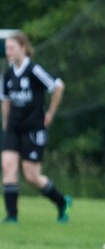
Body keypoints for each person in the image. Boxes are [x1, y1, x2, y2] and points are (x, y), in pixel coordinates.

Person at [1, 31, 71, 224]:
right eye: (6, 48)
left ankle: (61, 202)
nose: (8, 52)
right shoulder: (7, 74)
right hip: (13, 128)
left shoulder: (34, 69)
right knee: (8, 167)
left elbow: (58, 87)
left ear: (23, 48)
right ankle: (12, 216)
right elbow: (5, 100)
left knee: (31, 176)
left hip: (33, 128)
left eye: (11, 48)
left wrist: (50, 113)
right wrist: (5, 123)